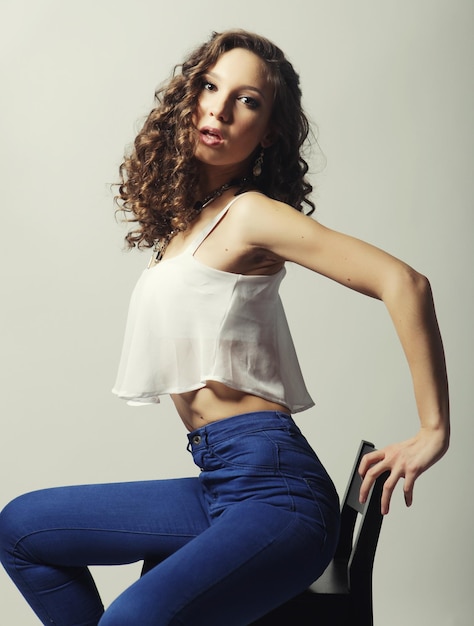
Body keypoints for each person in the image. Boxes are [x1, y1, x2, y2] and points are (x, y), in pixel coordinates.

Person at [0, 29, 449, 626]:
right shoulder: (189, 225)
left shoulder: (250, 213)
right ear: (188, 99)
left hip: (278, 495)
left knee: (132, 621)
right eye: (211, 87)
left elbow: (405, 282)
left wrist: (432, 427)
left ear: (268, 132)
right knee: (22, 528)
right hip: (220, 480)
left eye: (249, 100)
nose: (220, 106)